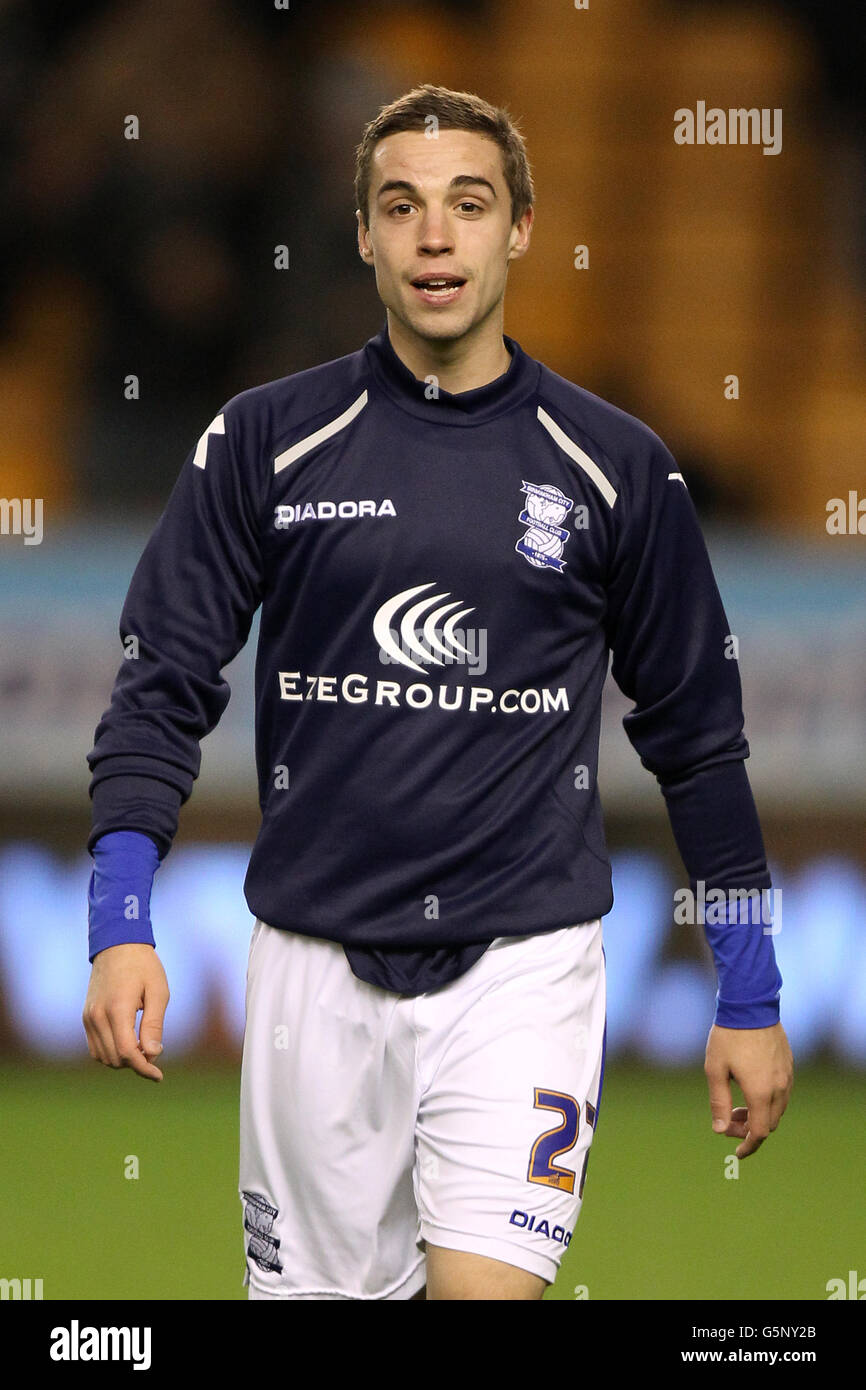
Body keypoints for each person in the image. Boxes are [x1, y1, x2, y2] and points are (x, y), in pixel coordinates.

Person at [83, 83, 793, 1302]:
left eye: (468, 204)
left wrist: (750, 984)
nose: (433, 237)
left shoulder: (613, 466)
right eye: (399, 206)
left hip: (525, 960)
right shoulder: (264, 442)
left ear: (519, 226)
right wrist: (118, 919)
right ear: (360, 233)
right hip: (311, 962)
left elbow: (699, 741)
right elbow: (160, 685)